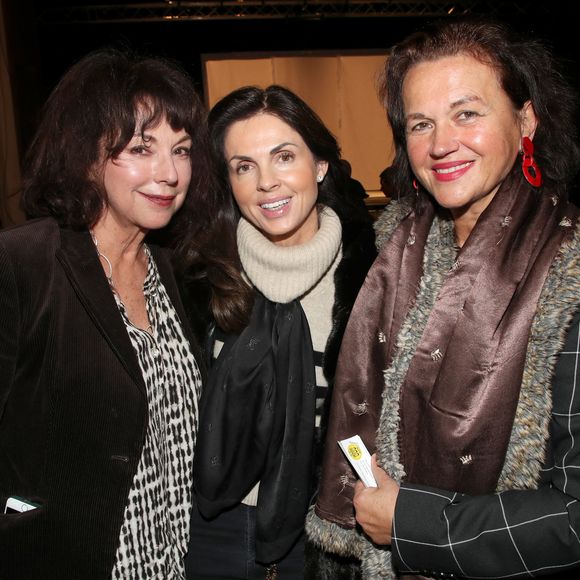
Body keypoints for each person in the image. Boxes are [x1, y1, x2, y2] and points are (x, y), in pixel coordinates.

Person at [306, 18, 580, 579]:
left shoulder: (571, 271)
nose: (440, 144)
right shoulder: (391, 253)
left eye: (467, 113)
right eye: (420, 124)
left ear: (526, 119)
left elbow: (575, 517)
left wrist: (414, 523)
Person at [0, 48, 213, 579]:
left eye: (181, 150)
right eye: (142, 148)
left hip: (180, 561)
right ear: (88, 155)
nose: (168, 173)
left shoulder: (179, 273)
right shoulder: (24, 264)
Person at [183, 84, 377, 579]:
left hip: (323, 535)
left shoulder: (373, 276)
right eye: (244, 166)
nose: (266, 182)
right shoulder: (197, 276)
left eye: (284, 156)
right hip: (208, 528)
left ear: (320, 165)